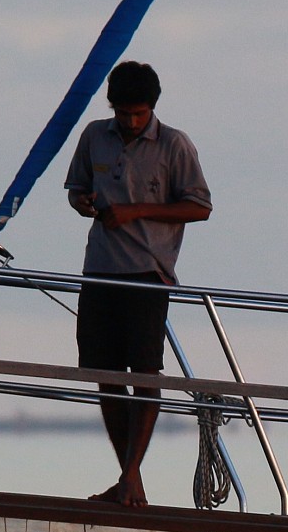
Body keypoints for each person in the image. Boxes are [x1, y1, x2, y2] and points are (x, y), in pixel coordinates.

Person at [64, 60, 213, 506]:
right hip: (100, 269)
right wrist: (85, 202)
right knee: (104, 375)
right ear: (112, 108)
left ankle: (131, 475)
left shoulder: (174, 145)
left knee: (146, 374)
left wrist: (136, 210)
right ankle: (127, 477)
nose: (130, 122)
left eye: (139, 114)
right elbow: (75, 190)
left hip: (149, 273)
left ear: (152, 109)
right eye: (124, 113)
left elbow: (200, 207)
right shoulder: (94, 135)